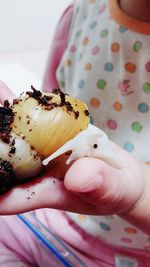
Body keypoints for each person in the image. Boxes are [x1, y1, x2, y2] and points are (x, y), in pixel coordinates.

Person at [0, 0, 150, 266]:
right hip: (41, 214)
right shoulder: (82, 13)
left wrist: (139, 196)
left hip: (119, 256)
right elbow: (52, 100)